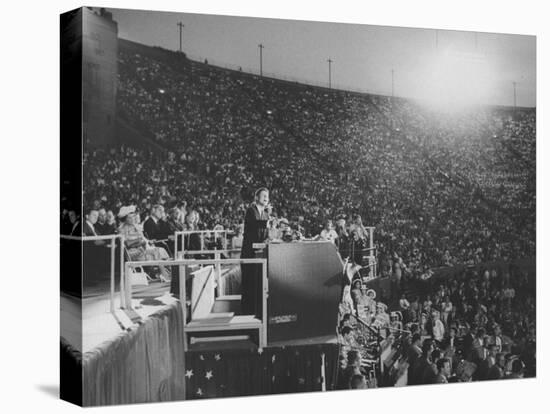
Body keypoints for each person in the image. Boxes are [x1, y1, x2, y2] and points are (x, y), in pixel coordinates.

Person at [240, 188, 271, 318]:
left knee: (256, 284)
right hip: (249, 253)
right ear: (256, 197)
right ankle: (245, 313)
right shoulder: (251, 210)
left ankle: (255, 312)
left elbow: (266, 234)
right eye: (263, 196)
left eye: (267, 196)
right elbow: (254, 225)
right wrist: (267, 223)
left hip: (259, 254)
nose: (266, 198)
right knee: (248, 283)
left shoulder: (265, 213)